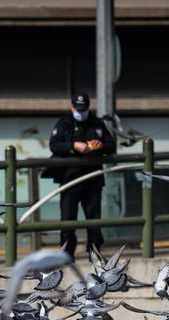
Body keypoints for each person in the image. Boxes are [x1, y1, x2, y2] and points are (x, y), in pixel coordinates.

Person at [44, 91, 115, 258]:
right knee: (68, 218)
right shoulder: (64, 123)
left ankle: (95, 252)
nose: (80, 112)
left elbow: (111, 145)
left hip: (92, 178)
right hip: (69, 178)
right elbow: (54, 145)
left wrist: (100, 145)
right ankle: (67, 253)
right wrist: (73, 146)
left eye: (83, 109)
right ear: (71, 106)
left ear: (89, 107)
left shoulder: (97, 123)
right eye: (77, 108)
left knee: (94, 218)